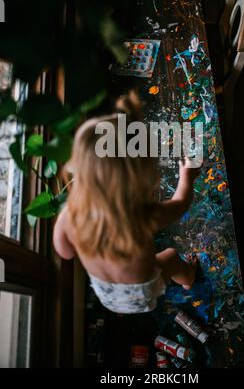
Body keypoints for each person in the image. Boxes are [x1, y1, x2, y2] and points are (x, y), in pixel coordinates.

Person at [53, 91, 200, 314]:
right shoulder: (140, 217)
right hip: (144, 293)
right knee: (169, 256)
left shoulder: (71, 215)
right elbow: (181, 203)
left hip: (107, 296)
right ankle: (188, 277)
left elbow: (65, 252)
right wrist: (187, 176)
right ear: (139, 178)